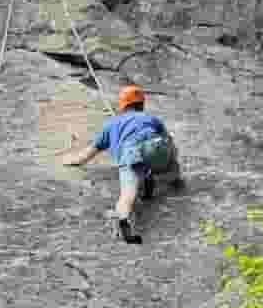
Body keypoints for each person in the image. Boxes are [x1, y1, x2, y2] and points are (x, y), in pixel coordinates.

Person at [62, 82, 180, 243]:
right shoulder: (150, 118)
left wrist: (71, 160)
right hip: (156, 147)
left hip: (132, 152)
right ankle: (170, 177)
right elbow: (169, 140)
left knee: (127, 195)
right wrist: (172, 162)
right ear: (142, 104)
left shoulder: (111, 125)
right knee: (167, 155)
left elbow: (88, 154)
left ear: (122, 106)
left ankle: (123, 218)